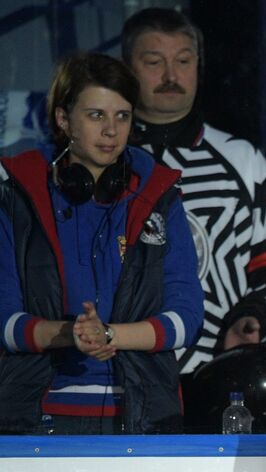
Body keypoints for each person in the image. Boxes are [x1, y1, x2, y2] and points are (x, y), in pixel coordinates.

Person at [0, 52, 202, 434]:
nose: (112, 130)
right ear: (64, 120)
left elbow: (187, 318)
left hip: (143, 421)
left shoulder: (160, 196)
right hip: (36, 422)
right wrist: (70, 335)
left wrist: (109, 335)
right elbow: (4, 321)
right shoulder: (17, 198)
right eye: (96, 115)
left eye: (122, 116)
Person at [121, 8, 266, 375]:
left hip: (219, 374)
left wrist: (254, 315)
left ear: (199, 66)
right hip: (120, 372)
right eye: (153, 62)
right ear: (126, 67)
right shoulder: (107, 160)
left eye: (183, 61)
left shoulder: (240, 159)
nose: (171, 76)